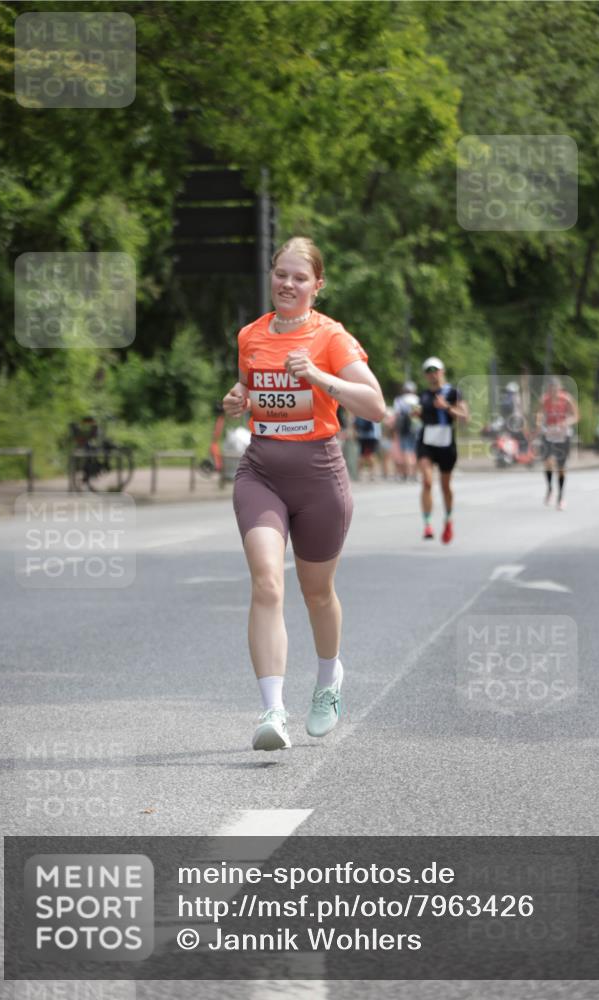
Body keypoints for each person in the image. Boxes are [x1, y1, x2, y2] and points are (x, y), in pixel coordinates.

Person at [222, 237, 385, 751]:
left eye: (299, 277)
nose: (287, 284)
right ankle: (273, 711)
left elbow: (375, 405)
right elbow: (251, 389)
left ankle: (329, 679)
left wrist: (317, 375)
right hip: (262, 470)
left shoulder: (331, 337)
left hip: (319, 475)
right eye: (280, 274)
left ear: (317, 285)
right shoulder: (250, 335)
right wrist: (237, 400)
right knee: (267, 582)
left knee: (316, 592)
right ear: (271, 277)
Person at [416, 356, 469, 543]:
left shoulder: (453, 392)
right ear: (425, 375)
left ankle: (447, 520)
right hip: (427, 442)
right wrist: (416, 413)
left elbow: (464, 417)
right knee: (427, 482)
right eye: (429, 372)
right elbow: (421, 416)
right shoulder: (423, 395)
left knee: (445, 486)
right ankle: (428, 524)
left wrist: (447, 407)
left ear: (442, 372)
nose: (432, 375)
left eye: (435, 371)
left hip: (446, 443)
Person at [536, 376, 579, 510]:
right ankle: (550, 489)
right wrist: (539, 424)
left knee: (561, 467)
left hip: (562, 435)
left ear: (559, 389)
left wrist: (565, 423)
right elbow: (539, 414)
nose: (553, 392)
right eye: (551, 389)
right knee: (547, 463)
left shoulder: (567, 399)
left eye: (555, 389)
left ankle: (561, 497)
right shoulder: (544, 399)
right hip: (549, 434)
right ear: (548, 389)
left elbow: (576, 416)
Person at [393, 381, 419, 480]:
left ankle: (407, 474)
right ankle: (414, 474)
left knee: (406, 451)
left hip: (404, 428)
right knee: (415, 451)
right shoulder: (417, 399)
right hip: (416, 428)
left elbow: (397, 415)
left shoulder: (399, 400)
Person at [354, 414, 380, 481]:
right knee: (371, 455)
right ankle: (372, 474)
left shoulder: (359, 412)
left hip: (362, 436)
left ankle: (358, 474)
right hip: (372, 436)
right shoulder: (372, 410)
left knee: (361, 455)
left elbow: (355, 424)